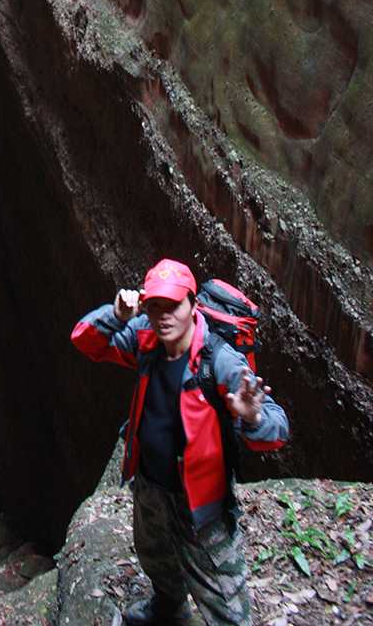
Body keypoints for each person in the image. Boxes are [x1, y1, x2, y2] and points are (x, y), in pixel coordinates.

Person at [71, 258, 289, 626]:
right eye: (154, 305)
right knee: (154, 554)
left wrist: (251, 416)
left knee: (224, 598)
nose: (163, 316)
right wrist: (117, 314)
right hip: (151, 486)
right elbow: (86, 340)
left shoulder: (218, 361)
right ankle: (169, 606)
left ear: (192, 305)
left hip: (200, 503)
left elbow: (278, 428)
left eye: (173, 305)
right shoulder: (146, 339)